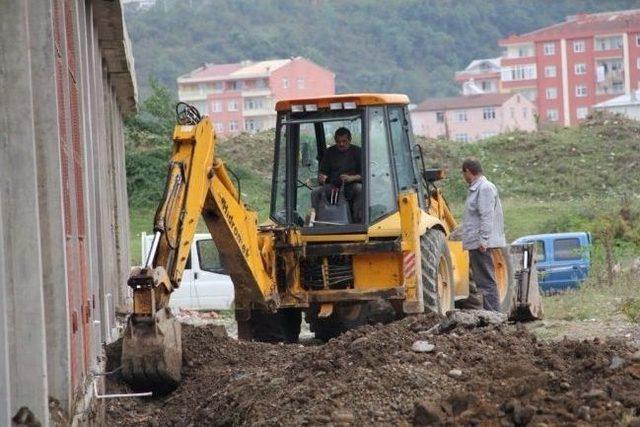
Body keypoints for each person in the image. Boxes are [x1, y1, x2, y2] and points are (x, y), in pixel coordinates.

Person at [461, 157, 506, 312]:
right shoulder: (477, 188)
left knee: (486, 281)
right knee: (483, 281)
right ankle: (491, 314)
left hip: (481, 244)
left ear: (468, 171)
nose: (464, 177)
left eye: (464, 173)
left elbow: (486, 216)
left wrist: (483, 240)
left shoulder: (485, 188)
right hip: (476, 242)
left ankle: (494, 315)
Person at [311, 127, 363, 223]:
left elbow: (365, 174)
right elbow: (323, 172)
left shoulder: (357, 152)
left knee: (360, 189)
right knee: (315, 192)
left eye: (344, 141)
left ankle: (358, 221)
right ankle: (316, 222)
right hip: (334, 186)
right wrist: (322, 177)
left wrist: (351, 178)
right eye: (338, 141)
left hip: (352, 185)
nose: (341, 144)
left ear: (350, 140)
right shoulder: (330, 152)